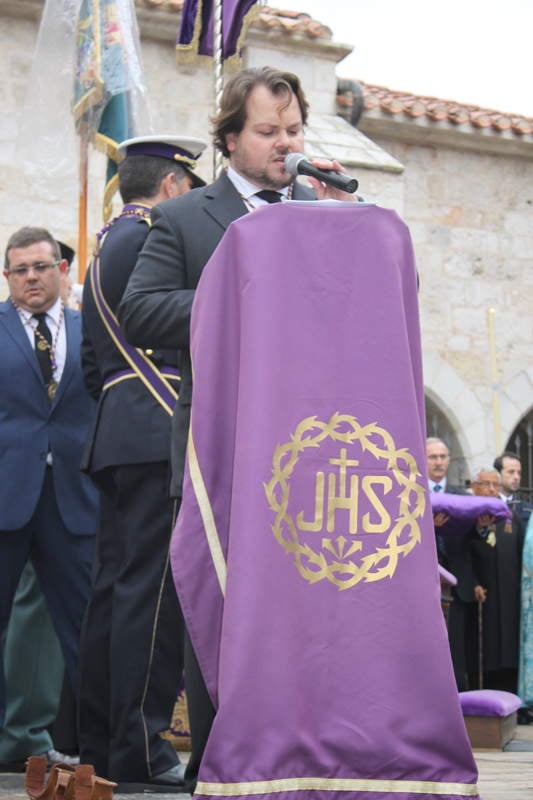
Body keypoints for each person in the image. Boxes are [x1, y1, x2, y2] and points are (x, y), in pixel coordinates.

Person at [119, 66, 357, 793]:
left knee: (302, 609)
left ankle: (299, 753)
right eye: (267, 132)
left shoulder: (326, 212)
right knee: (220, 604)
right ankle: (219, 763)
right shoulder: (188, 217)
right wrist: (247, 288)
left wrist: (355, 217)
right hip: (220, 448)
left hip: (308, 449)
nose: (285, 144)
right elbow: (142, 310)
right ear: (230, 139)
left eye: (292, 130)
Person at [78, 135, 207, 791]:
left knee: (114, 594)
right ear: (176, 187)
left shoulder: (106, 247)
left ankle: (101, 738)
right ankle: (143, 743)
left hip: (117, 431)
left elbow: (90, 369)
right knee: (153, 598)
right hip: (159, 426)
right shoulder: (153, 237)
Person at [0, 227, 98, 764]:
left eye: (42, 266)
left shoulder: (94, 329)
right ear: (8, 277)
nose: (32, 277)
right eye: (21, 270)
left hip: (74, 499)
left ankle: (95, 745)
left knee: (83, 623)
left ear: (63, 269)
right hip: (6, 496)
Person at [426, 437, 480, 689]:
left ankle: (460, 697)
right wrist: (429, 528)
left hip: (458, 584)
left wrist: (479, 526)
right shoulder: (414, 494)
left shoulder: (461, 495)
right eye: (433, 457)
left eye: (443, 457)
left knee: (458, 645)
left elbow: (473, 540)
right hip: (425, 585)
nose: (439, 462)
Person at [469, 467, 525, 692]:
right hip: (480, 597)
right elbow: (460, 556)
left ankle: (512, 699)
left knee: (508, 648)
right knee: (485, 650)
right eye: (486, 484)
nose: (492, 489)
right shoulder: (467, 518)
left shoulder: (512, 519)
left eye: (496, 485)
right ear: (474, 487)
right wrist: (472, 582)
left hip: (510, 597)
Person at [494, 450, 532, 528]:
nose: (516, 477)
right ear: (498, 474)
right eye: (511, 472)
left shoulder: (528, 509)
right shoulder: (490, 505)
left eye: (519, 473)